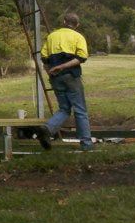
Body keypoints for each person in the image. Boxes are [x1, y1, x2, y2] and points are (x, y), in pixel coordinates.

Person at [35, 12, 93, 151]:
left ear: (64, 22)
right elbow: (82, 57)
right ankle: (86, 144)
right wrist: (63, 67)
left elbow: (44, 57)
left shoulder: (52, 36)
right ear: (77, 25)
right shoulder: (78, 37)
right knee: (80, 110)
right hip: (71, 76)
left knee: (64, 109)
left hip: (56, 78)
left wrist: (50, 72)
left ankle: (47, 129)